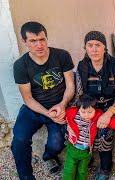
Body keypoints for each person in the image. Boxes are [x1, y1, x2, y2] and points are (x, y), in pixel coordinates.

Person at [11, 21, 75, 179]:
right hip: (34, 109)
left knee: (57, 143)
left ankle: (48, 157)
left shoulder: (61, 55)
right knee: (19, 141)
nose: (39, 45)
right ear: (24, 41)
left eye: (42, 39)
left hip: (59, 106)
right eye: (33, 41)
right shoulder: (21, 65)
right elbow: (28, 98)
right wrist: (48, 113)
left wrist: (62, 105)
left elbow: (70, 85)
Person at [71, 30, 115, 180]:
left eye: (98, 45)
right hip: (90, 107)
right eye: (90, 45)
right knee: (79, 127)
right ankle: (83, 158)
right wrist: (84, 112)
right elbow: (79, 93)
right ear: (85, 48)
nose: (94, 49)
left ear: (105, 47)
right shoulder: (82, 66)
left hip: (111, 106)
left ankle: (104, 167)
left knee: (104, 132)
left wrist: (108, 114)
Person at [63, 94, 115, 180]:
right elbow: (63, 114)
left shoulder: (97, 116)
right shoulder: (72, 113)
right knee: (69, 169)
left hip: (86, 151)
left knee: (83, 170)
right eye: (83, 112)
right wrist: (65, 121)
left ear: (95, 110)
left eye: (90, 112)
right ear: (78, 109)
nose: (86, 115)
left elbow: (112, 122)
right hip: (73, 148)